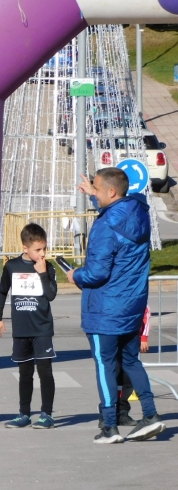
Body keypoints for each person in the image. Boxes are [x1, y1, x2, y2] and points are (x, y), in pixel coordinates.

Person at [67, 169, 165, 444]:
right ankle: (150, 415)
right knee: (131, 361)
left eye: (96, 189)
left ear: (111, 192)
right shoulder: (138, 212)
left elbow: (97, 273)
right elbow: (118, 201)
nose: (93, 192)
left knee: (105, 364)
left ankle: (110, 426)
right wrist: (94, 194)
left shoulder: (106, 225)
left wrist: (75, 275)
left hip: (105, 308)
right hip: (132, 304)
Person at [0, 224, 57, 429]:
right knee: (25, 373)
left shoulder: (47, 267)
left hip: (42, 328)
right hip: (22, 328)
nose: (42, 253)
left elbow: (51, 295)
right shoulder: (12, 266)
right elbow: (2, 291)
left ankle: (46, 413)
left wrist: (43, 273)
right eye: (38, 249)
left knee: (45, 371)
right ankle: (24, 414)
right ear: (25, 248)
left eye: (44, 249)